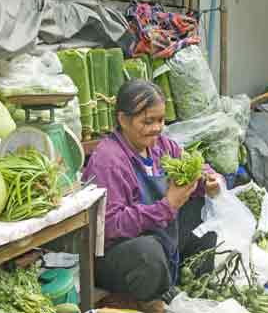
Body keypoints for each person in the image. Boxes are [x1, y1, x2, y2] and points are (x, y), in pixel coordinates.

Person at [82, 79, 221, 312]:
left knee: (204, 218)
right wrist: (166, 207)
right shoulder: (109, 160)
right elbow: (110, 225)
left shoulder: (162, 146)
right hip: (118, 254)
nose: (157, 128)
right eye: (148, 121)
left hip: (158, 234)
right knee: (147, 253)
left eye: (161, 120)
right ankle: (147, 298)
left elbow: (196, 168)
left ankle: (190, 286)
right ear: (123, 120)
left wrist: (210, 181)